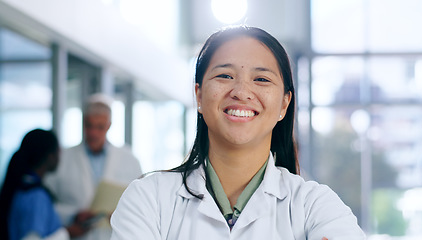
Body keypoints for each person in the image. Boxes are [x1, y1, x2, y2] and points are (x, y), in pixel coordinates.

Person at [110, 26, 366, 240]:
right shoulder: (148, 199)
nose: (242, 92)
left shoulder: (315, 206)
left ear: (284, 104)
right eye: (225, 75)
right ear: (198, 95)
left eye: (262, 79)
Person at [44, 94, 142, 240]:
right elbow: (47, 204)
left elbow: (140, 203)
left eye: (100, 127)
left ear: (109, 125)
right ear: (83, 123)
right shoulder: (63, 158)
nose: (93, 133)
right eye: (89, 126)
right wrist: (73, 214)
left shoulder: (129, 159)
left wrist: (122, 214)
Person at [0, 129, 89, 240]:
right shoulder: (36, 195)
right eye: (58, 151)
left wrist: (74, 216)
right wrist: (66, 233)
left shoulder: (22, 187)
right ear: (51, 156)